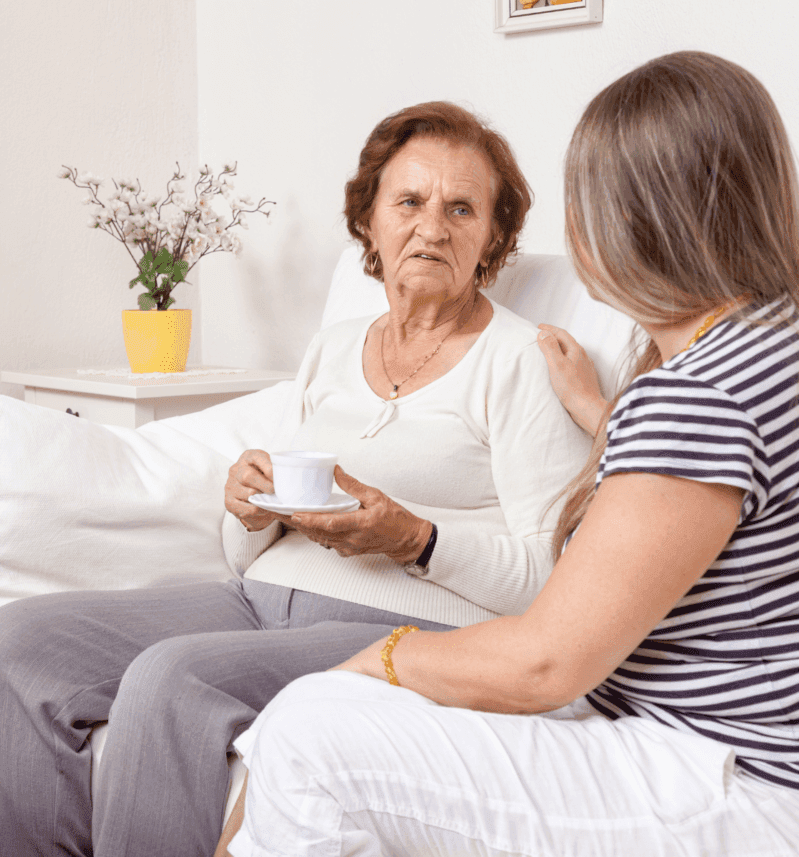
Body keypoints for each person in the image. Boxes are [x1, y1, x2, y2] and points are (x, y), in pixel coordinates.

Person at [0, 101, 590, 857]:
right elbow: (250, 543)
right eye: (410, 201)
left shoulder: (522, 359)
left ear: (494, 236)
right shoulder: (333, 348)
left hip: (402, 630)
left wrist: (415, 539)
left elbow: (551, 582)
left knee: (172, 678)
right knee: (17, 644)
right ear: (369, 221)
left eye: (462, 208)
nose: (433, 226)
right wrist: (248, 507)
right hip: (258, 600)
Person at [220, 51, 799, 857]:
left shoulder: (698, 394)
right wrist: (605, 412)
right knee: (304, 717)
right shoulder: (765, 347)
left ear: (637, 218)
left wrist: (384, 655)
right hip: (718, 750)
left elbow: (546, 662)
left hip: (716, 774)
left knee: (307, 736)